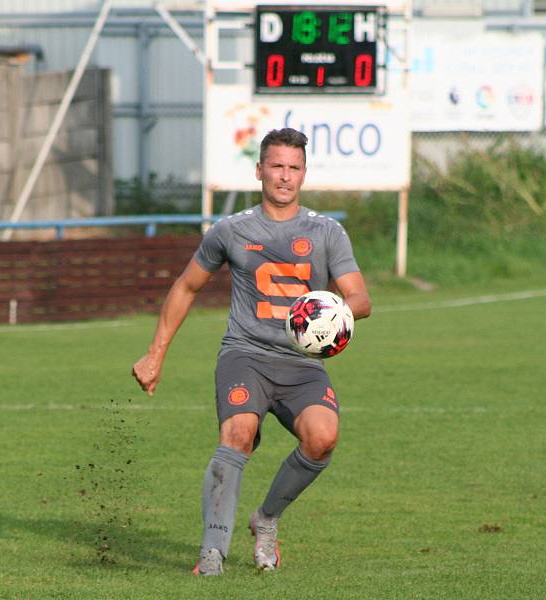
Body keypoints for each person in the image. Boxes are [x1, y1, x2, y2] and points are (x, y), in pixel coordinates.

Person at [132, 127, 371, 575]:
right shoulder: (231, 230)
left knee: (323, 439)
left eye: (294, 168)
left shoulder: (326, 232)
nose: (285, 176)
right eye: (277, 166)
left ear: (304, 173)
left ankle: (266, 520)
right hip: (245, 354)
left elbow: (361, 299)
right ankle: (212, 553)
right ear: (259, 170)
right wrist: (155, 353)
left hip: (301, 363)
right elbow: (185, 287)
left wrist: (332, 311)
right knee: (238, 434)